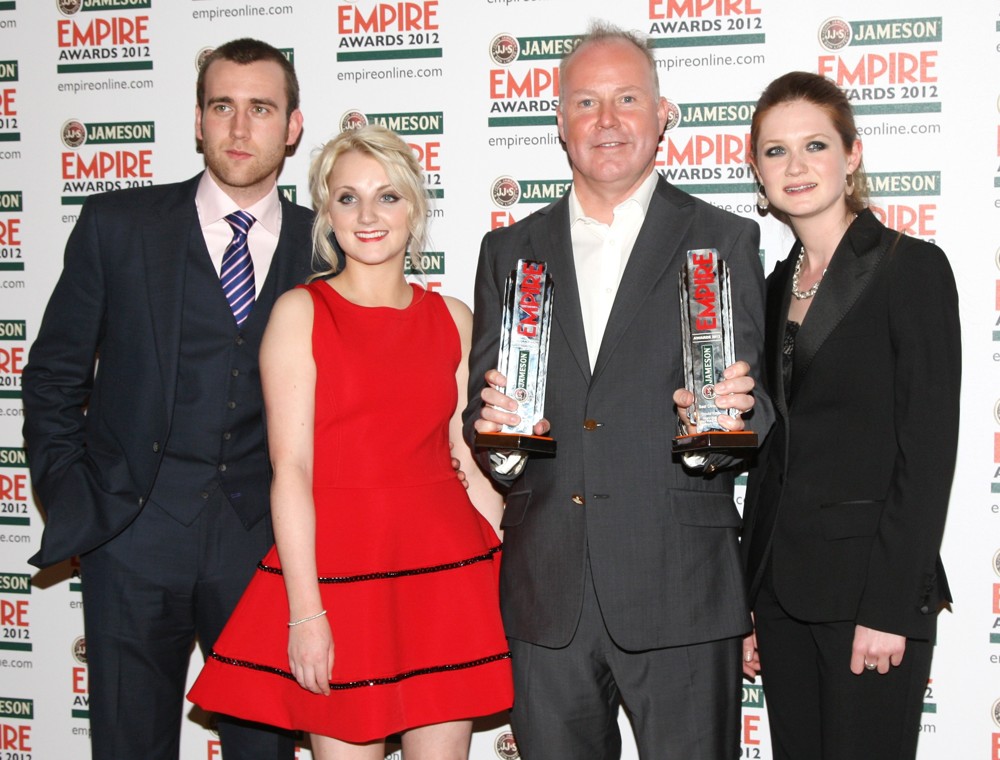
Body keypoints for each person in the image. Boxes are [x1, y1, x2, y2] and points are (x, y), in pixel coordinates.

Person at [464, 21, 773, 760]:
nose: (607, 122)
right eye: (586, 103)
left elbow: (756, 404)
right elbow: (491, 421)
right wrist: (499, 438)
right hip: (548, 592)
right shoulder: (509, 249)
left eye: (627, 99)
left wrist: (728, 422)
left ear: (662, 114)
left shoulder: (724, 239)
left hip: (682, 589)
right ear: (560, 122)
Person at [22, 39, 311, 760]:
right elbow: (54, 375)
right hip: (132, 539)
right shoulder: (117, 226)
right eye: (223, 107)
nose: (240, 129)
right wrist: (76, 499)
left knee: (264, 750)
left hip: (262, 545)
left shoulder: (326, 244)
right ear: (197, 120)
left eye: (261, 109)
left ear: (293, 126)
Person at [188, 124, 513, 759]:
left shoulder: (452, 318)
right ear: (325, 212)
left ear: (414, 209)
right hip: (338, 583)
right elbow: (291, 471)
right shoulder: (300, 314)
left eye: (387, 196)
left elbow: (470, 466)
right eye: (347, 197)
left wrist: (505, 573)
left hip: (446, 579)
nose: (368, 215)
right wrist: (305, 612)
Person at [739, 71, 960, 760]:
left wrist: (889, 609)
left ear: (852, 155)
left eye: (815, 145)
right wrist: (748, 599)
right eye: (775, 151)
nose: (796, 167)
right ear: (756, 169)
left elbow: (927, 455)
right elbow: (775, 455)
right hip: (780, 596)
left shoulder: (910, 268)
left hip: (871, 595)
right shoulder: (772, 287)